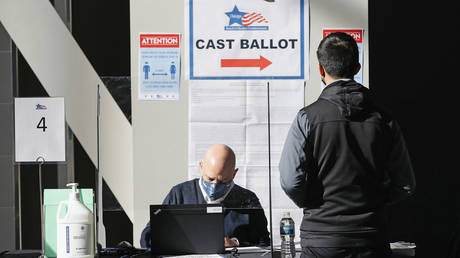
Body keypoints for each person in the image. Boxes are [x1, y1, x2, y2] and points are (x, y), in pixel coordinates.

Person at [279, 32, 416, 258]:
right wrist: (372, 201)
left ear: (321, 70)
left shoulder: (307, 118)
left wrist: (314, 203)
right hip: (370, 237)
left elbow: (290, 180)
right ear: (357, 68)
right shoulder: (384, 119)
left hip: (321, 239)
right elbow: (405, 184)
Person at [140, 144, 270, 248]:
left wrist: (236, 243)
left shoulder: (248, 200)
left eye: (223, 181)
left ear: (234, 174)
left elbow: (264, 242)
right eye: (210, 178)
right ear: (201, 167)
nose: (214, 185)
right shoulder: (179, 194)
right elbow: (148, 236)